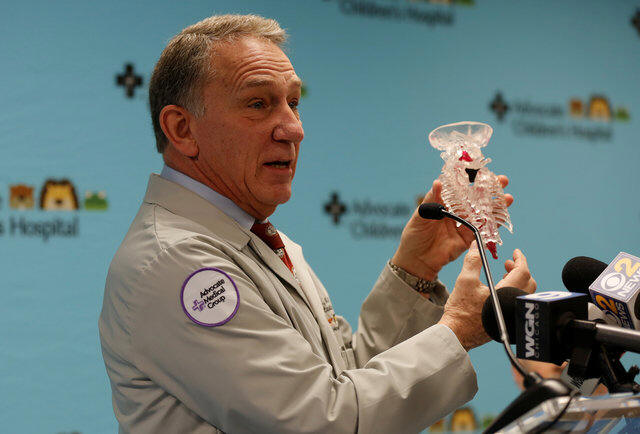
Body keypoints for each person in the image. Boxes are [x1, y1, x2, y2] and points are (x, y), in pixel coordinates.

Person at [99, 14, 537, 433]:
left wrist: (415, 269)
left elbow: (347, 379)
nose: (293, 129)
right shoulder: (179, 264)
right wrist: (458, 329)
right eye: (258, 103)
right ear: (182, 129)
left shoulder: (262, 241)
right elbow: (322, 421)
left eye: (293, 103)